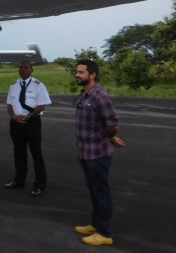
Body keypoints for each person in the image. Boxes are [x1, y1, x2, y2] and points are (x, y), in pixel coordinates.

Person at [73, 59, 125, 246]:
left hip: (98, 153)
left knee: (101, 191)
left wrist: (108, 136)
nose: (77, 75)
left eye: (81, 72)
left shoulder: (99, 96)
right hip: (85, 152)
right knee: (94, 190)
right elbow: (100, 123)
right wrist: (109, 136)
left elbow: (113, 123)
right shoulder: (86, 95)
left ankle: (104, 233)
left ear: (92, 74)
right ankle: (95, 224)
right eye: (77, 72)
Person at [4, 60, 51, 197]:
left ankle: (40, 185)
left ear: (32, 70)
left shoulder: (38, 85)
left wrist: (28, 117)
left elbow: (41, 105)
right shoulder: (14, 85)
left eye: (26, 67)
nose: (23, 70)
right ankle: (19, 180)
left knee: (36, 153)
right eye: (21, 67)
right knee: (18, 152)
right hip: (16, 122)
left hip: (32, 122)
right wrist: (14, 117)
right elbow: (9, 104)